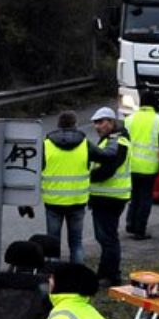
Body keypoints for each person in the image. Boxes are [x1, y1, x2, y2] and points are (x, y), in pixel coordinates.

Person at [42, 111, 111, 265]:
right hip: (78, 202)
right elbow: (105, 157)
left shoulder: (45, 145)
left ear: (58, 126)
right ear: (75, 125)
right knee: (76, 244)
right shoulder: (85, 144)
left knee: (52, 244)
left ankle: (53, 278)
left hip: (53, 202)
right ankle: (76, 278)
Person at [88, 107, 130, 287]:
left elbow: (108, 170)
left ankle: (112, 276)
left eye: (101, 122)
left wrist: (87, 177)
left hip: (110, 197)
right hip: (106, 196)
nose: (97, 126)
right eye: (95, 123)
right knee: (105, 238)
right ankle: (104, 273)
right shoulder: (110, 140)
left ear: (111, 122)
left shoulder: (119, 141)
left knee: (108, 238)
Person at [123, 104, 159, 240]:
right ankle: (140, 230)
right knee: (145, 198)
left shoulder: (129, 119)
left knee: (134, 195)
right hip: (148, 167)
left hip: (130, 166)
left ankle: (130, 223)